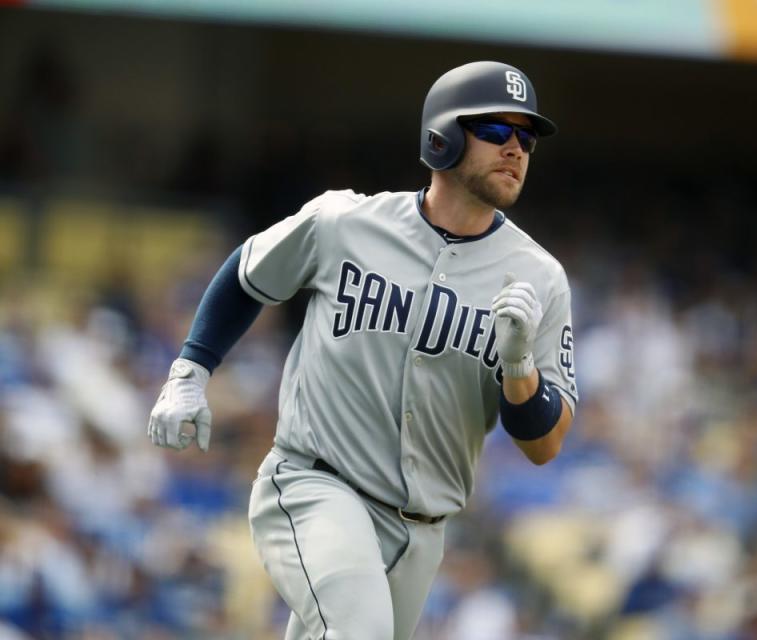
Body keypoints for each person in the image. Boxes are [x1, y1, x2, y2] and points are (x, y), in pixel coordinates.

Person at [147, 60, 578, 640]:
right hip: (317, 487)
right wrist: (189, 373)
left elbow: (545, 444)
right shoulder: (345, 221)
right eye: (497, 131)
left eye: (526, 138)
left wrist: (520, 366)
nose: (516, 150)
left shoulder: (541, 279)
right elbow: (249, 272)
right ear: (442, 136)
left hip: (422, 531)